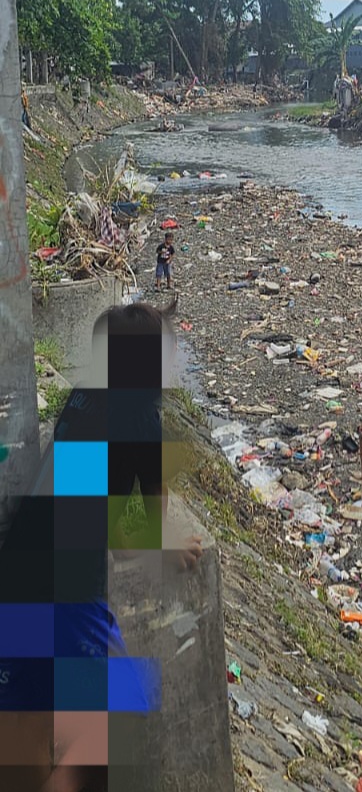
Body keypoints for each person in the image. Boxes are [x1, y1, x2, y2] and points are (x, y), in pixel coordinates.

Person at [0, 301, 202, 791]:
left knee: (28, 715)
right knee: (121, 708)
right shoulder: (144, 423)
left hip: (17, 569)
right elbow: (144, 528)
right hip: (66, 591)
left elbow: (90, 505)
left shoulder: (83, 398)